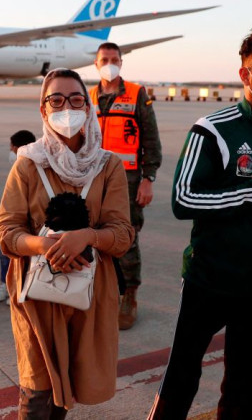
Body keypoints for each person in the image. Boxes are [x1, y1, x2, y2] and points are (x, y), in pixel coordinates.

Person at [148, 26, 252, 419]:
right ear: (246, 74)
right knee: (181, 378)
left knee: (244, 391)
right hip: (209, 281)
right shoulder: (212, 130)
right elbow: (182, 199)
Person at [0, 68, 134, 417]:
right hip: (38, 292)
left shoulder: (108, 166)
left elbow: (122, 234)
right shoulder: (27, 164)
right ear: (43, 110)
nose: (66, 107)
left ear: (88, 108)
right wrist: (43, 246)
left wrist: (86, 237)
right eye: (55, 100)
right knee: (37, 394)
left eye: (75, 99)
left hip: (89, 292)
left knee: (71, 386)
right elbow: (6, 230)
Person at [89, 41, 162, 330]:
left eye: (114, 58)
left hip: (129, 180)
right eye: (104, 59)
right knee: (95, 235)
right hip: (95, 179)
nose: (109, 62)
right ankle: (104, 293)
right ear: (96, 64)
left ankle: (129, 295)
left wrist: (148, 178)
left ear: (121, 62)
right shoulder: (89, 96)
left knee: (127, 237)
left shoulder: (136, 94)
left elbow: (151, 139)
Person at [0, 129, 36, 304]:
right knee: (5, 250)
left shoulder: (36, 167)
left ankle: (21, 287)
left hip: (30, 217)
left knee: (27, 254)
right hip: (14, 215)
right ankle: (5, 284)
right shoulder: (15, 169)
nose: (11, 152)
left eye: (12, 148)